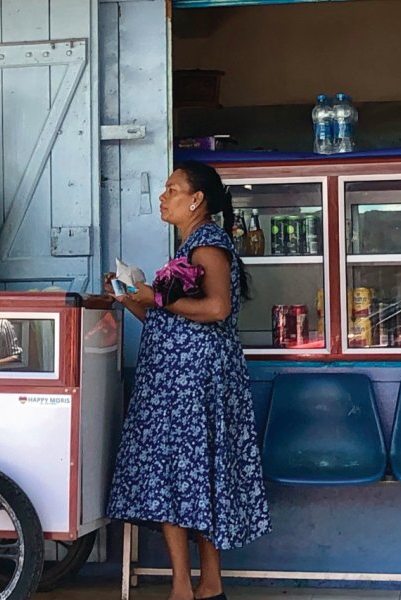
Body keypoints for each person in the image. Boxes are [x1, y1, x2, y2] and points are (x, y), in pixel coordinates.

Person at [104, 160, 271, 600]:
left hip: (190, 385)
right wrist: (129, 300)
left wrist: (154, 295)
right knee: (189, 478)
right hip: (177, 382)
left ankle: (189, 586)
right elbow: (168, 317)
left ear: (196, 200)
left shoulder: (207, 245)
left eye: (172, 189)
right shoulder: (189, 247)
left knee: (182, 477)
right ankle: (202, 585)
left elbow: (216, 309)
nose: (164, 196)